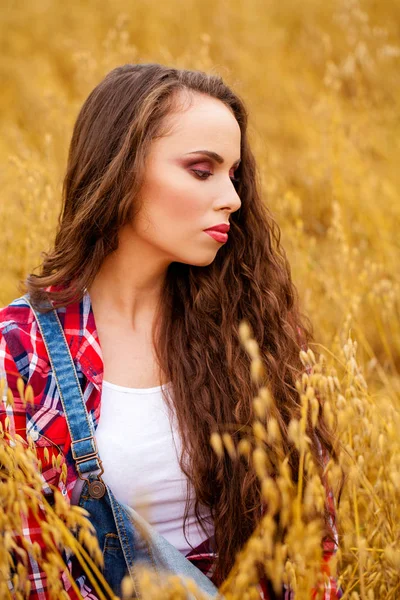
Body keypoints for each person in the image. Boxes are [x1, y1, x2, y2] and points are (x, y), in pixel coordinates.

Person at [0, 63, 340, 599]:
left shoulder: (255, 334)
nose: (232, 198)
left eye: (235, 175)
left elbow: (311, 550)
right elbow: (29, 571)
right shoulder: (21, 349)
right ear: (121, 169)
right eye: (202, 170)